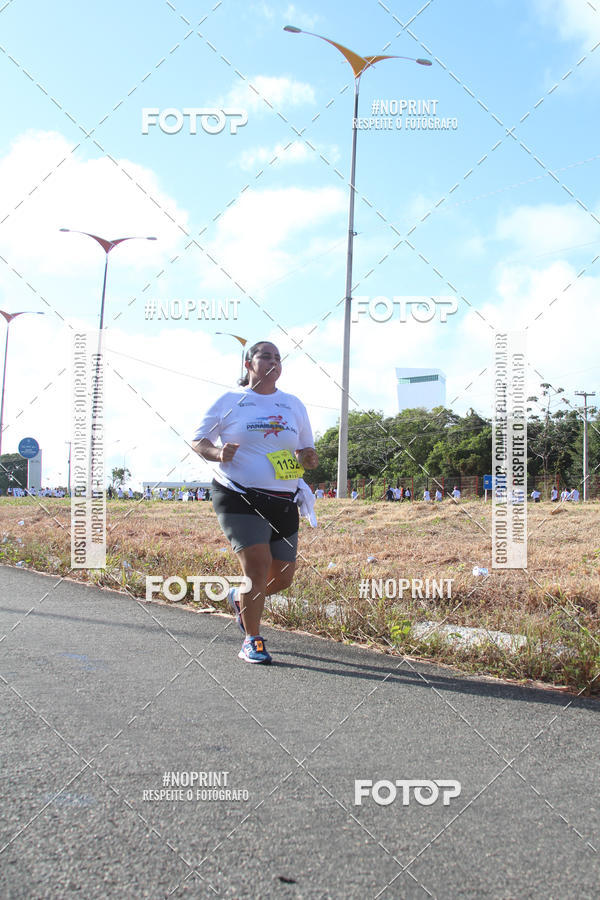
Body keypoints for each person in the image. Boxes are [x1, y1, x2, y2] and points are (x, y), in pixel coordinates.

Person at [192, 340, 318, 665]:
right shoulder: (230, 400)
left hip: (284, 499)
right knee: (258, 566)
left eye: (278, 358)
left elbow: (304, 449)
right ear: (248, 365)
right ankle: (252, 639)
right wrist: (218, 453)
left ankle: (239, 596)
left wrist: (308, 457)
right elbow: (199, 440)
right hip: (238, 495)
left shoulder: (292, 404)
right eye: (265, 356)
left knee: (284, 576)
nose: (273, 362)